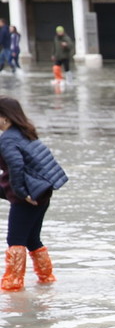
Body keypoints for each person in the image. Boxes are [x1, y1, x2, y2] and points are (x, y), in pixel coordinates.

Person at [0, 97, 67, 292]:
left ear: (5, 117)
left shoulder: (7, 139)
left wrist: (22, 194)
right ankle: (46, 278)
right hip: (42, 192)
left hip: (28, 194)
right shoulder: (25, 133)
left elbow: (16, 167)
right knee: (32, 240)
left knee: (15, 241)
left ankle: (12, 286)